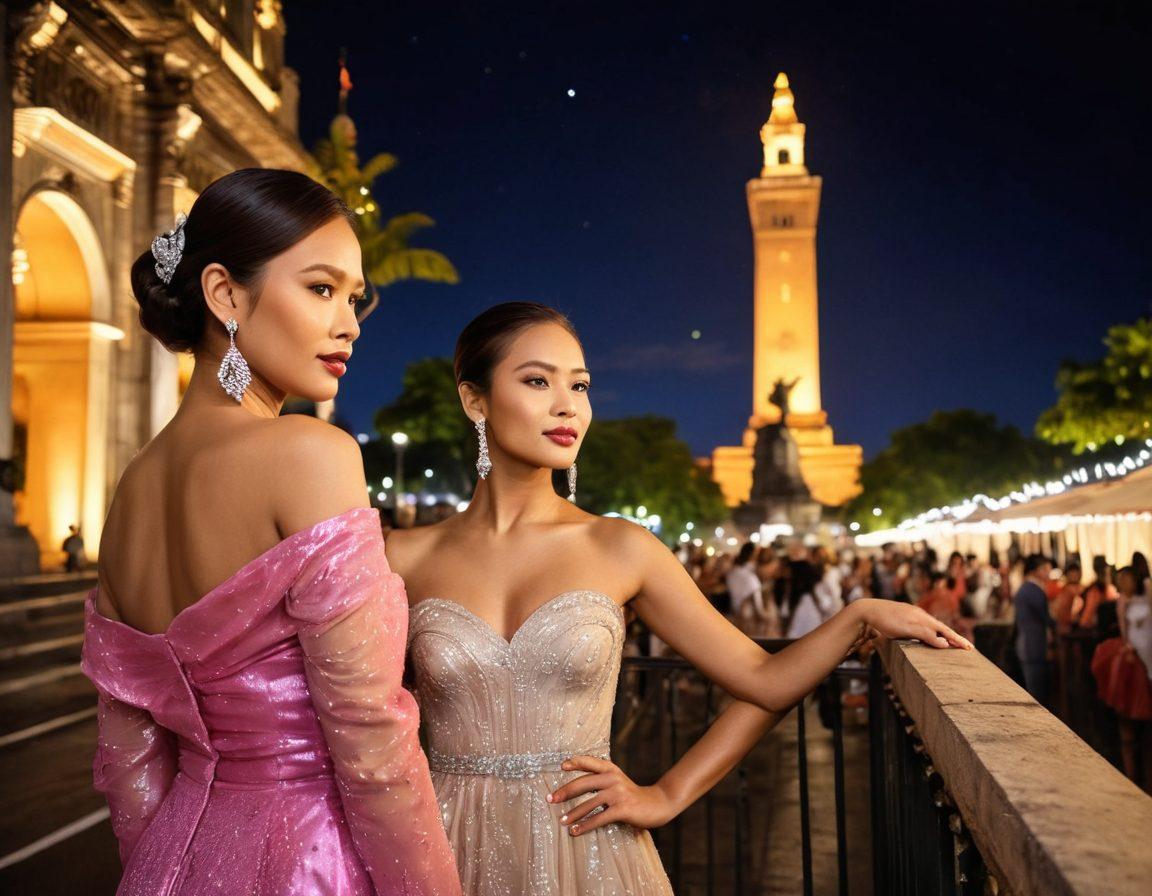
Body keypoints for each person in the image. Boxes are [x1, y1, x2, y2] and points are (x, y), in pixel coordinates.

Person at [388, 302, 972, 896]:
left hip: (588, 850)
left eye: (581, 385)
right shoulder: (400, 558)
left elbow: (764, 681)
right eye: (538, 381)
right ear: (474, 400)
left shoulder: (621, 547)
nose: (569, 405)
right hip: (441, 852)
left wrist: (666, 794)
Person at [81, 169, 460, 896]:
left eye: (354, 298)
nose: (350, 323)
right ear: (224, 294)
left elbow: (129, 762)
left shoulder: (130, 492)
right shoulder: (309, 456)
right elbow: (373, 747)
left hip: (170, 862)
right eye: (321, 289)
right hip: (309, 859)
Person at [1090, 566, 1152, 787]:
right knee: (1128, 714)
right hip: (1132, 659)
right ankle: (1133, 776)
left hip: (1146, 656)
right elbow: (1125, 631)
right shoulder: (1121, 603)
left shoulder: (1146, 595)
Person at [1013, 554, 1055, 705]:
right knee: (1037, 694)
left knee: (1034, 689)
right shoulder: (1033, 591)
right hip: (1033, 645)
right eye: (1045, 569)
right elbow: (1048, 619)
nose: (1049, 572)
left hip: (1027, 644)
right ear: (1034, 571)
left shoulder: (1026, 589)